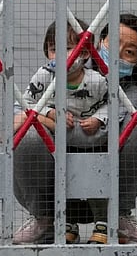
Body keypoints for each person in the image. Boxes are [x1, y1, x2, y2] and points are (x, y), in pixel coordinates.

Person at [13, 13, 137, 244]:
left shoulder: (135, 89)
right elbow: (21, 109)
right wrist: (48, 117)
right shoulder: (64, 67)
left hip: (105, 190)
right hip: (53, 187)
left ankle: (117, 217)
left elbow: (91, 137)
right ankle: (45, 220)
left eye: (129, 52)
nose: (118, 54)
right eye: (114, 43)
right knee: (30, 135)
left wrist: (52, 122)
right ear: (99, 41)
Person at [12, 18, 110, 244]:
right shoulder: (45, 76)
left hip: (89, 139)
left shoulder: (96, 81)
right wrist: (50, 113)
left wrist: (98, 119)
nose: (60, 56)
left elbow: (112, 104)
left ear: (85, 53)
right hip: (57, 140)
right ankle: (65, 222)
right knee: (62, 178)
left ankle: (103, 222)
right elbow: (26, 102)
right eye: (54, 50)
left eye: (68, 49)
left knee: (92, 175)